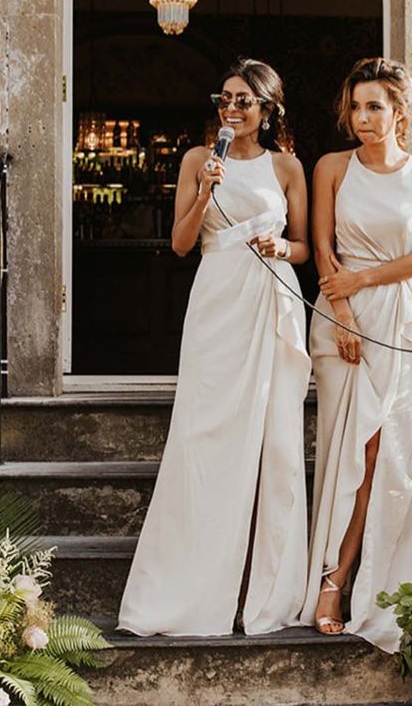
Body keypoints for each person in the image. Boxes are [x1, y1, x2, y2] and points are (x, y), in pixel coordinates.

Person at [118, 58, 311, 637]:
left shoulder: (288, 167)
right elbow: (180, 243)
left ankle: (264, 588)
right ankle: (193, 588)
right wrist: (203, 193)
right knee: (203, 439)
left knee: (274, 441)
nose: (230, 109)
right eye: (224, 99)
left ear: (267, 110)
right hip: (216, 301)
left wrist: (280, 248)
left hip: (270, 301)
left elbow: (307, 248)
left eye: (243, 101)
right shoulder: (198, 160)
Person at [300, 57, 412, 652]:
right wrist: (342, 313)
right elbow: (321, 246)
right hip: (341, 319)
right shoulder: (332, 167)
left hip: (399, 319)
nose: (362, 118)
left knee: (388, 454)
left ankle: (369, 582)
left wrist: (361, 287)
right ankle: (331, 579)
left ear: (399, 113)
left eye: (375, 107)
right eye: (356, 107)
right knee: (349, 448)